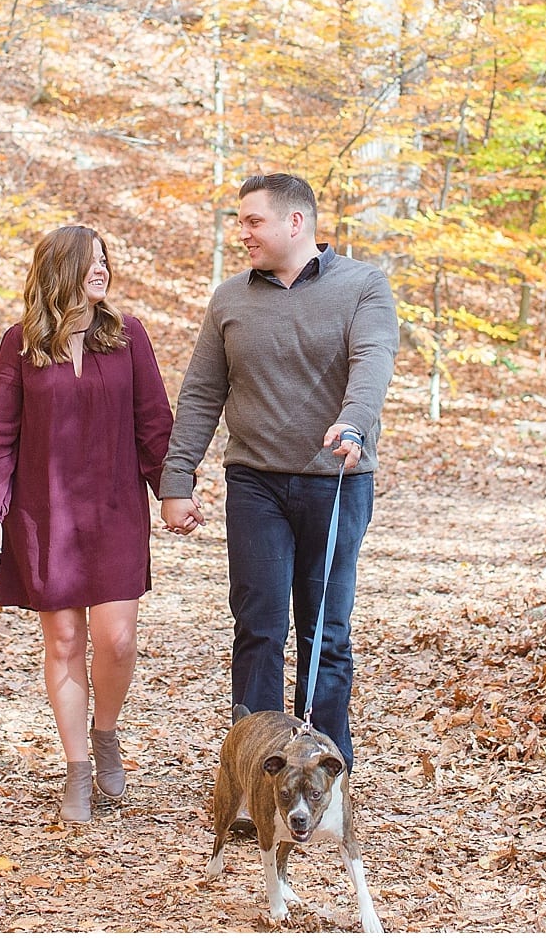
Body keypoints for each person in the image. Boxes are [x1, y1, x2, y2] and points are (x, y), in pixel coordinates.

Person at [157, 173, 399, 770]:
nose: (242, 233)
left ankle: (321, 771)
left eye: (252, 221)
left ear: (296, 223)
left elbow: (373, 363)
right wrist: (176, 478)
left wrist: (353, 423)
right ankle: (254, 774)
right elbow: (201, 393)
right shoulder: (230, 299)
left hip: (336, 481)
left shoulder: (363, 286)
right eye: (241, 221)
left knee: (327, 635)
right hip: (256, 484)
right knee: (260, 629)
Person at [0, 225, 177, 822]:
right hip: (46, 513)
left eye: (106, 259)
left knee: (117, 639)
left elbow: (154, 423)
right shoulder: (22, 343)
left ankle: (106, 731)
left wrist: (173, 491)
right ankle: (78, 768)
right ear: (61, 270)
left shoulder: (128, 336)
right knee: (63, 641)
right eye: (90, 262)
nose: (102, 270)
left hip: (114, 507)